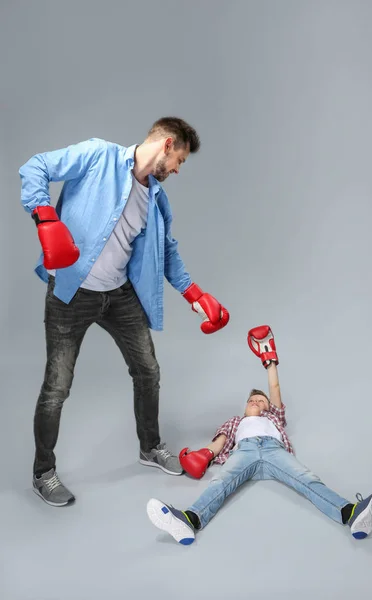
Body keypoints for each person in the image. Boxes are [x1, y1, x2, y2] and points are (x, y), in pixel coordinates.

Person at [19, 117, 230, 507]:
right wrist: (45, 216)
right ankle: (43, 473)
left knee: (148, 370)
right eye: (181, 160)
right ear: (167, 145)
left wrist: (196, 295)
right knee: (57, 387)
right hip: (72, 293)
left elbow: (167, 253)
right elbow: (36, 167)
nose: (179, 170)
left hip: (119, 295)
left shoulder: (155, 198)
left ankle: (150, 447)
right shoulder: (98, 155)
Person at [146, 325, 372, 545]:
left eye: (260, 400)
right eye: (251, 400)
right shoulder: (236, 422)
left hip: (274, 451)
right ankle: (189, 520)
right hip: (244, 452)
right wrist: (205, 453)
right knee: (220, 483)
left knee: (308, 479)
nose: (255, 402)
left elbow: (274, 388)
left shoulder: (274, 417)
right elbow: (220, 441)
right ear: (244, 406)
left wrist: (269, 359)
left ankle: (351, 514)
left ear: (267, 407)